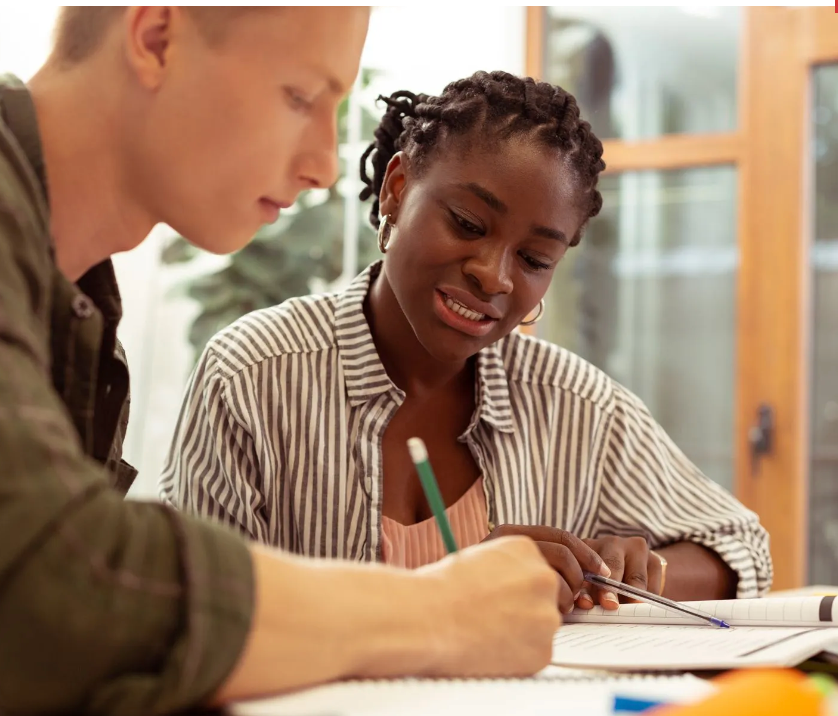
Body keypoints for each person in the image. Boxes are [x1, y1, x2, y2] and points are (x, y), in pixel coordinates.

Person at [0, 8, 564, 716]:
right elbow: (48, 595)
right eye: (300, 96)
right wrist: (437, 612)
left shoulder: (77, 320)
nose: (325, 165)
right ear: (156, 37)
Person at [159, 70, 774, 615]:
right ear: (397, 190)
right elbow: (188, 612)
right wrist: (450, 590)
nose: (495, 275)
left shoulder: (576, 405)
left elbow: (741, 547)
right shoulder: (252, 377)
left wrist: (621, 570)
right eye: (468, 225)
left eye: (535, 258)